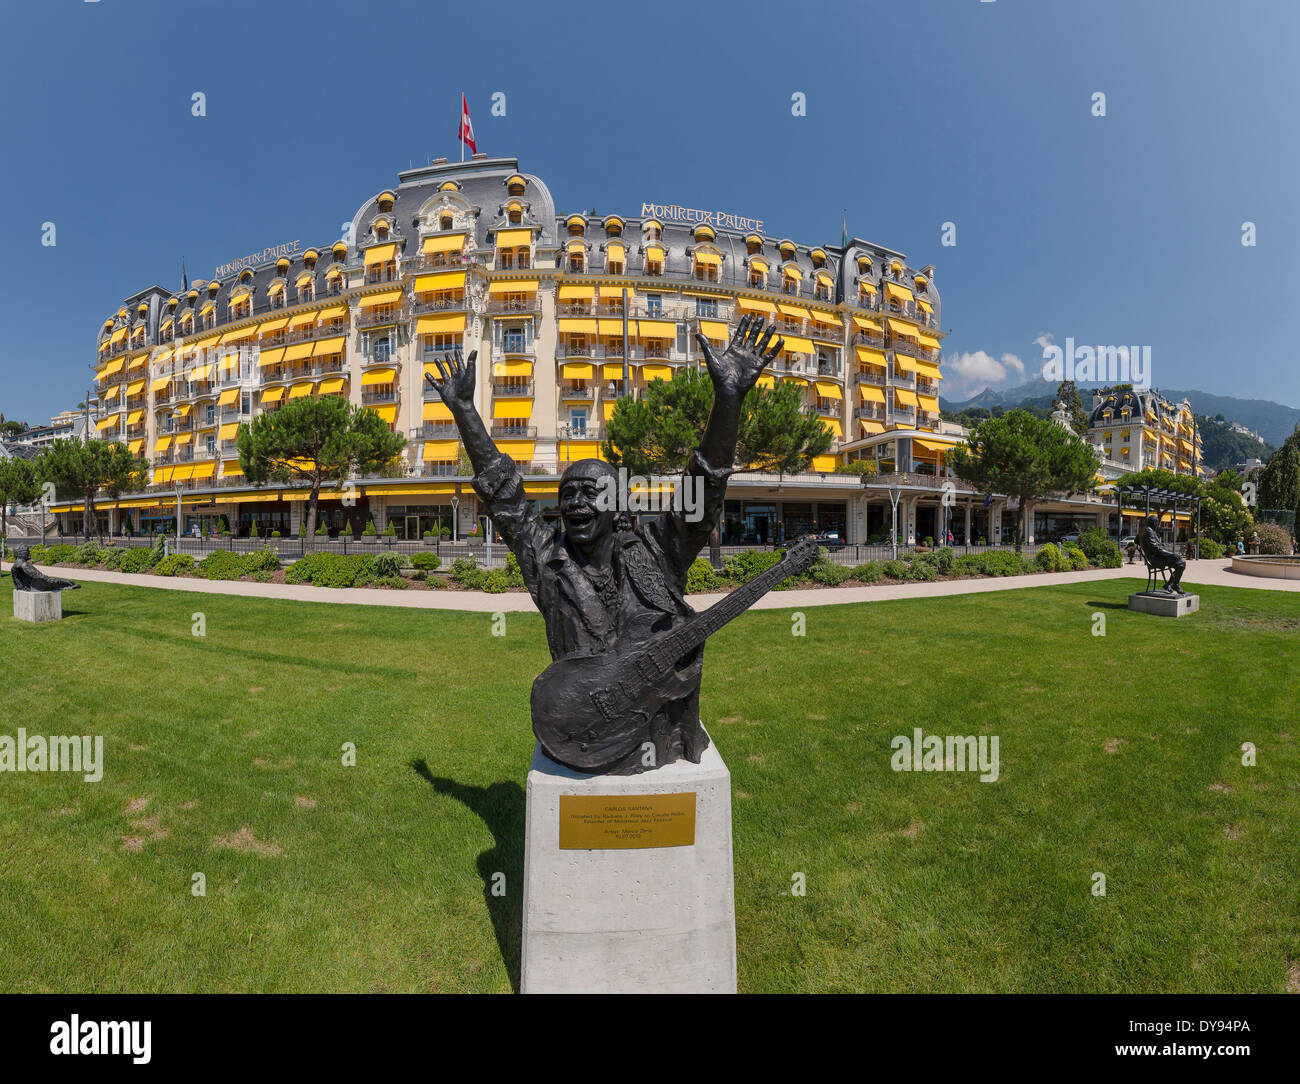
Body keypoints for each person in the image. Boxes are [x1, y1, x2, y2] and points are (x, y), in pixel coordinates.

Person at [428, 316, 780, 775]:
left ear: (617, 508)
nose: (574, 500)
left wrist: (728, 400)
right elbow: (505, 496)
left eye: (588, 492)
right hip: (585, 734)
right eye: (566, 493)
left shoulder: (657, 551)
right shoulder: (548, 561)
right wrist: (465, 412)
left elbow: (702, 495)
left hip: (658, 735)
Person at [1138, 514, 1186, 594]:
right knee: (1181, 563)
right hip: (1156, 559)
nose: (1158, 525)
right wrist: (1172, 554)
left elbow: (1137, 541)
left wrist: (1144, 547)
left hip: (1157, 556)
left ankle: (1170, 584)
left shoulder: (1146, 530)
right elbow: (1156, 549)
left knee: (1180, 562)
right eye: (1157, 523)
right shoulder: (1149, 531)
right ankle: (1174, 584)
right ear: (1154, 523)